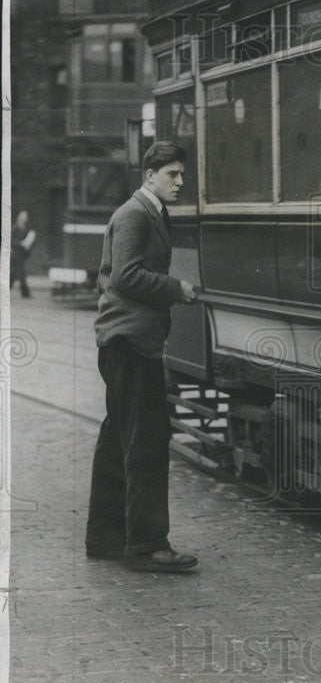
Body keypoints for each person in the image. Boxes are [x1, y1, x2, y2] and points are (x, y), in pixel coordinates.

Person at [85, 141, 200, 573]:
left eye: (181, 174)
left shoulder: (144, 212)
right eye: (172, 174)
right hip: (132, 346)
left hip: (123, 344)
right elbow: (126, 273)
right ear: (149, 175)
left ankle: (106, 537)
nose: (180, 182)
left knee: (118, 440)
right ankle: (148, 545)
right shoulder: (136, 214)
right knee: (148, 443)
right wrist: (177, 289)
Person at [10, 209, 35, 297]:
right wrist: (20, 243)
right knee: (20, 273)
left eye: (25, 217)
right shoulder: (15, 228)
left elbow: (29, 240)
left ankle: (6, 290)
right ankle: (25, 293)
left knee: (15, 274)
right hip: (15, 254)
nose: (24, 219)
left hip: (22, 255)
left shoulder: (25, 229)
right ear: (19, 218)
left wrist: (28, 244)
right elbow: (11, 240)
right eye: (22, 217)